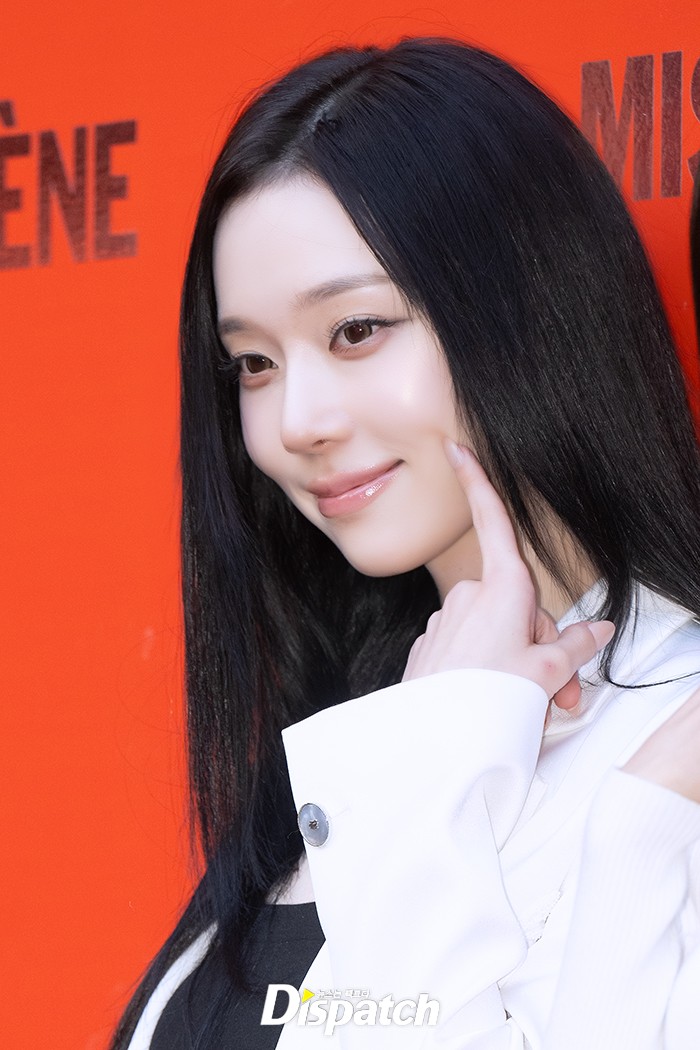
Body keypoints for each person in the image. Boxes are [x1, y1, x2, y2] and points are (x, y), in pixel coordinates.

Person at [111, 37, 700, 1050]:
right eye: (252, 363)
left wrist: (607, 816)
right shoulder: (356, 730)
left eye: (354, 331)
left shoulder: (669, 749)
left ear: (531, 307)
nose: (294, 421)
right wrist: (439, 731)